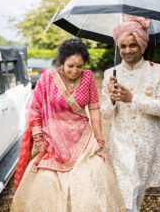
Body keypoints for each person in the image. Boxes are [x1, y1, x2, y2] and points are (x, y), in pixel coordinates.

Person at [11, 38, 124, 212]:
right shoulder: (48, 78)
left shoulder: (88, 77)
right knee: (47, 181)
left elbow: (94, 109)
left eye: (80, 66)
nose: (75, 70)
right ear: (62, 63)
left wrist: (100, 138)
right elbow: (35, 108)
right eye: (70, 66)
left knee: (90, 178)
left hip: (82, 138)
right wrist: (38, 136)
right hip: (52, 138)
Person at [100, 15, 160, 212]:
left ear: (142, 45)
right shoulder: (110, 74)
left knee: (137, 191)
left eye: (132, 45)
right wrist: (112, 99)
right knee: (126, 189)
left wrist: (133, 98)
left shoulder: (158, 72)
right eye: (122, 46)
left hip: (147, 142)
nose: (127, 50)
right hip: (121, 142)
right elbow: (105, 114)